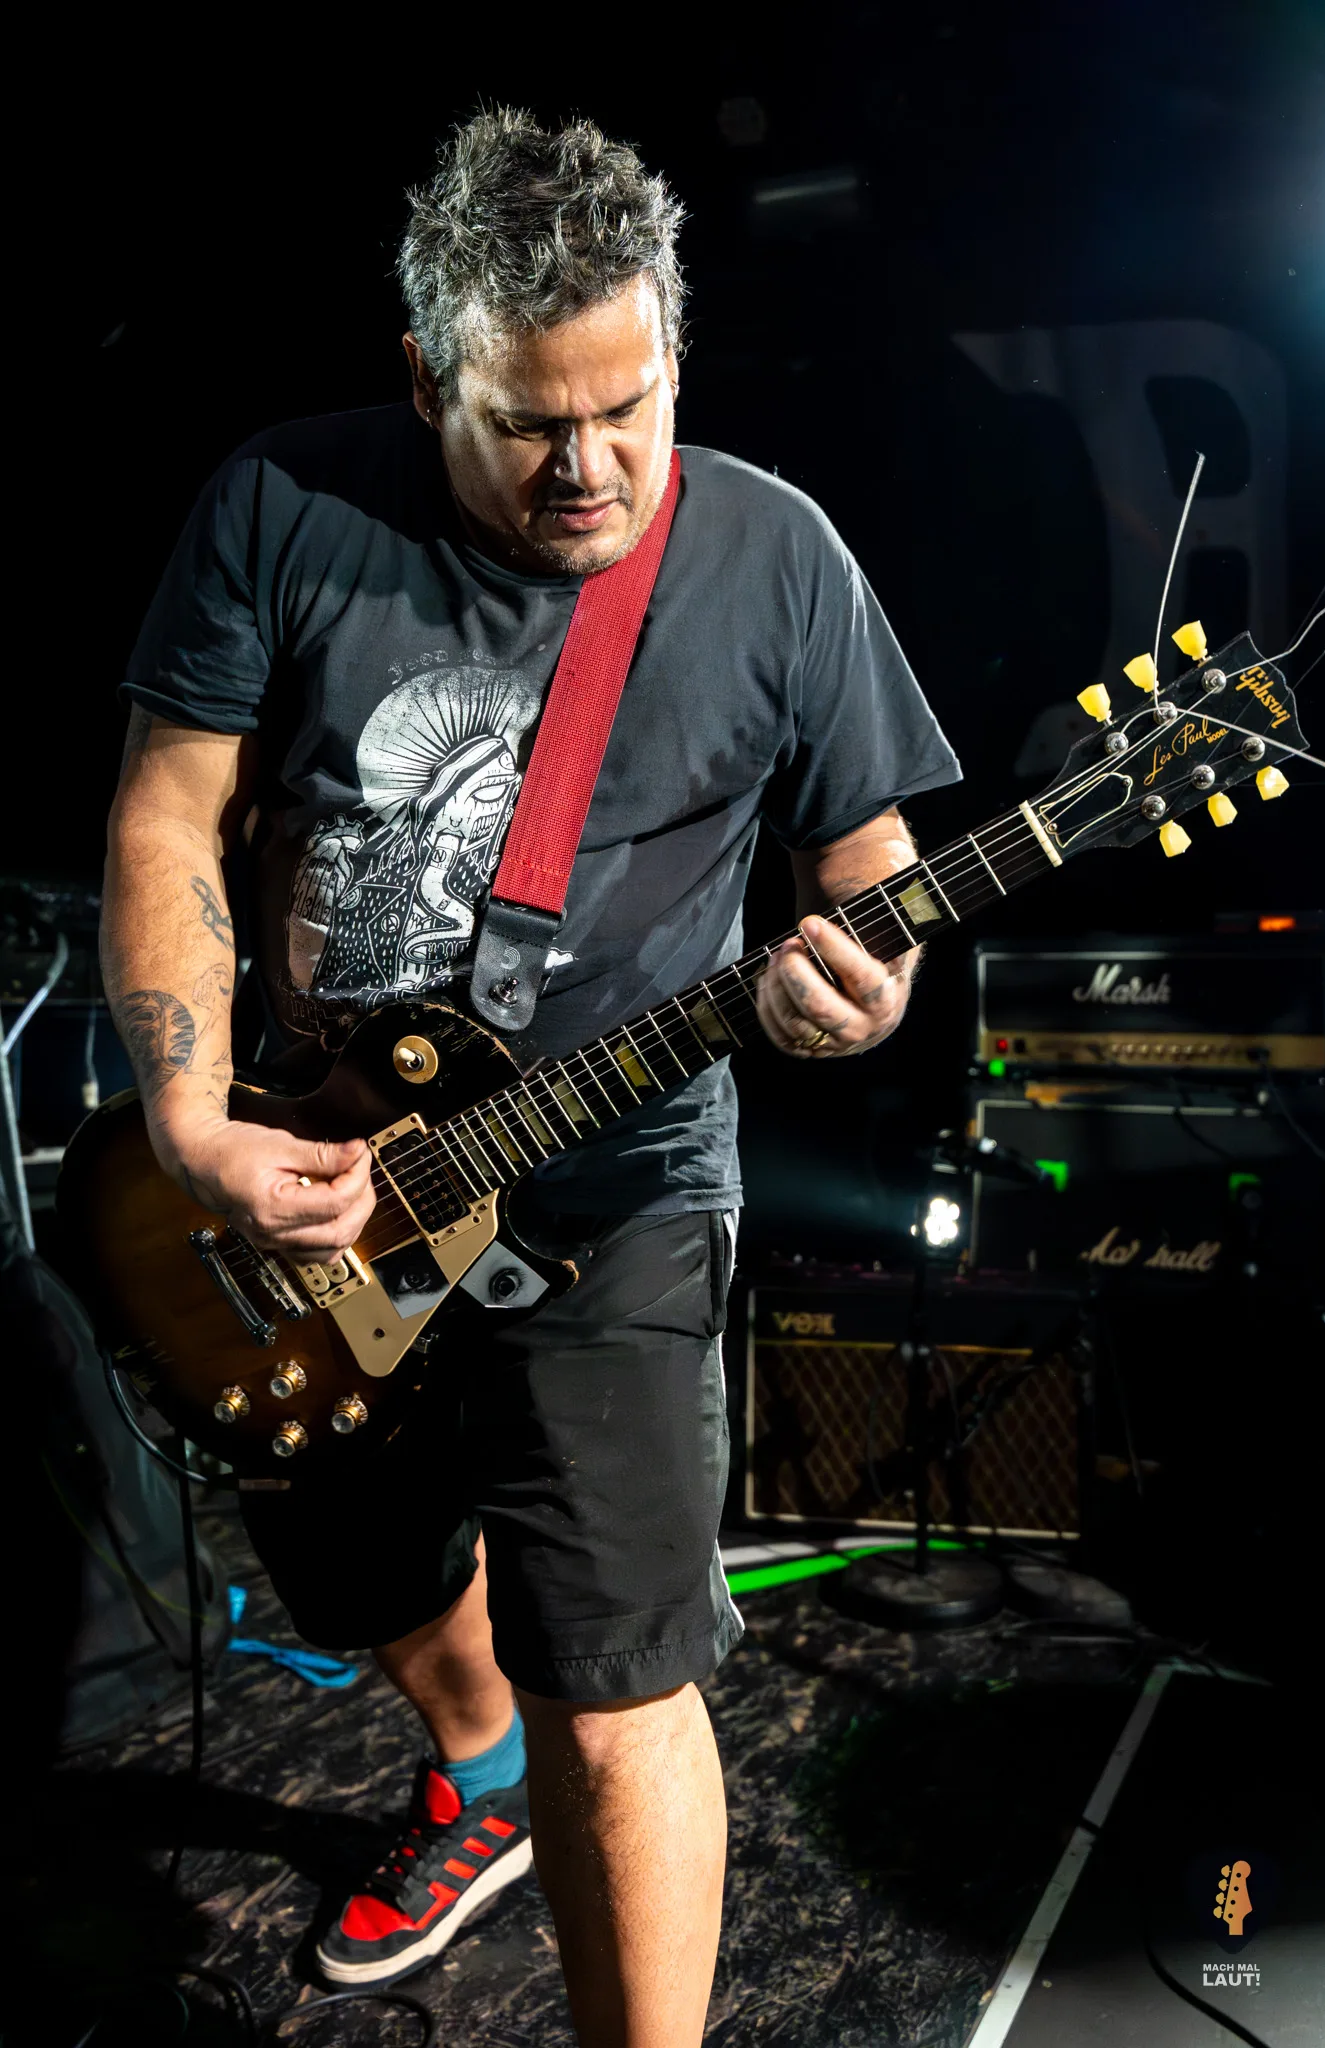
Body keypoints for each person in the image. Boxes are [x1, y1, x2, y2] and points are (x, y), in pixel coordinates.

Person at [101, 108, 960, 2048]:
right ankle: (470, 1768)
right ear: (429, 382)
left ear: (675, 356)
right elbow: (166, 816)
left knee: (618, 1674)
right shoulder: (283, 502)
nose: (589, 469)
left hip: (617, 1183)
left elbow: (870, 871)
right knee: (354, 1571)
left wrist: (862, 989)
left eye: (627, 410)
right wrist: (193, 1120)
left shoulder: (776, 557)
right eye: (529, 425)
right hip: (317, 1158)